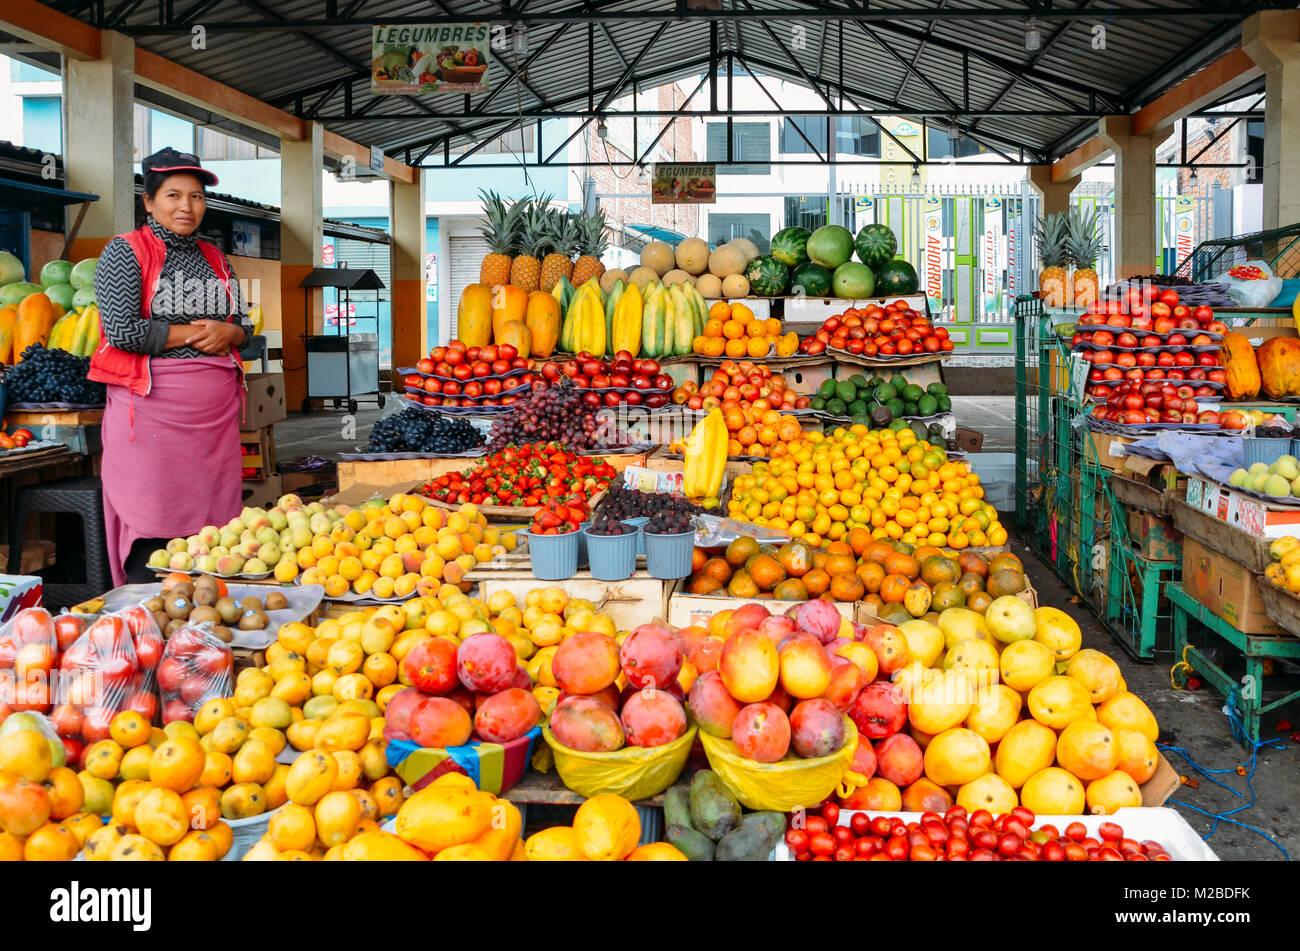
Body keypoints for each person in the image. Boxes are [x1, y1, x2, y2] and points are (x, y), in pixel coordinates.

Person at [91, 147, 254, 585]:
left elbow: (246, 326)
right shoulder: (123, 253)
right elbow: (123, 331)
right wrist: (199, 334)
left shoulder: (217, 259)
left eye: (197, 197)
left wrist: (232, 334)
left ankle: (205, 612)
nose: (187, 206)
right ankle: (148, 615)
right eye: (173, 195)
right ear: (149, 201)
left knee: (212, 528)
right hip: (150, 415)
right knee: (154, 514)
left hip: (213, 422)